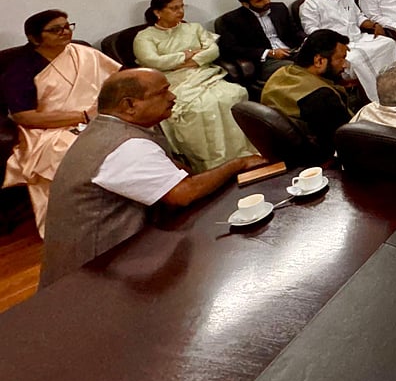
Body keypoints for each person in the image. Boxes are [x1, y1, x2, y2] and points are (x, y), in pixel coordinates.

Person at [39, 69, 257, 288]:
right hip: (95, 276)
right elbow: (183, 194)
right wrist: (239, 164)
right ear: (129, 105)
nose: (173, 97)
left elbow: (177, 172)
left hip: (114, 259)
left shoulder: (107, 129)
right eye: (163, 92)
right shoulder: (123, 146)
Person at [0, 10, 120, 236]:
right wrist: (83, 117)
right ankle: (86, 221)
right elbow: (24, 116)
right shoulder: (20, 70)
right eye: (56, 29)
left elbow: (117, 79)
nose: (65, 32)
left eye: (67, 26)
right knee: (73, 152)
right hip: (47, 127)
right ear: (35, 38)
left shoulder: (84, 54)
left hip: (100, 114)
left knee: (131, 136)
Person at [132, 0, 256, 172]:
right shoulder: (145, 36)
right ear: (158, 12)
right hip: (169, 80)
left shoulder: (194, 28)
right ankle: (212, 163)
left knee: (234, 95)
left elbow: (213, 50)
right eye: (174, 8)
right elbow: (152, 60)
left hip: (202, 72)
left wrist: (193, 60)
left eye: (182, 6)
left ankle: (243, 154)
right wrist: (184, 55)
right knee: (200, 108)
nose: (180, 11)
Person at [299, 0, 396, 102]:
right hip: (336, 46)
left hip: (359, 38)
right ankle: (374, 97)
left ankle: (392, 87)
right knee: (356, 58)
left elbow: (359, 17)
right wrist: (335, 42)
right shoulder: (311, 3)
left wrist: (375, 25)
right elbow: (312, 31)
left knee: (388, 43)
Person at [260, 30, 354, 157]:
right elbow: (349, 141)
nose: (345, 65)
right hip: (321, 161)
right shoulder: (322, 97)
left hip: (284, 151)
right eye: (341, 58)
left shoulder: (281, 73)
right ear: (319, 61)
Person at [217, 0, 304, 81]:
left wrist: (308, 39)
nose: (266, 1)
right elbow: (230, 49)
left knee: (321, 61)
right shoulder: (232, 20)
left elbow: (295, 32)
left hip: (292, 51)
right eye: (259, 1)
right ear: (245, 4)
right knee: (299, 69)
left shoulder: (279, 8)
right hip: (266, 62)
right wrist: (268, 53)